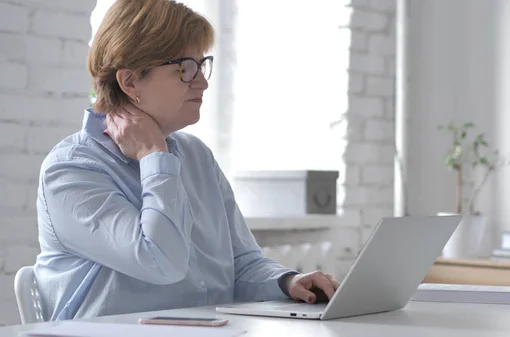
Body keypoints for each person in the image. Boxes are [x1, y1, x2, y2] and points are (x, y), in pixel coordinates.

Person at [33, 0, 339, 321]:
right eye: (185, 69)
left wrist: (288, 281)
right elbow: (160, 260)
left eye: (201, 65)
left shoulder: (196, 156)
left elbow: (241, 262)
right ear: (130, 81)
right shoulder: (71, 170)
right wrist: (154, 157)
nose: (203, 83)